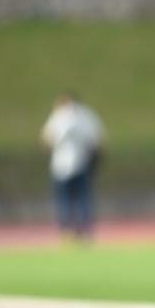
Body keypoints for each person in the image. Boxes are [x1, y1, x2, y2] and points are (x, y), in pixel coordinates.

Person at [40, 91, 103, 238]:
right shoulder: (86, 115)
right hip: (80, 163)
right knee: (82, 198)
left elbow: (46, 138)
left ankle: (67, 229)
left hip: (62, 166)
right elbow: (97, 139)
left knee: (66, 199)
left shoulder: (59, 116)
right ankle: (84, 228)